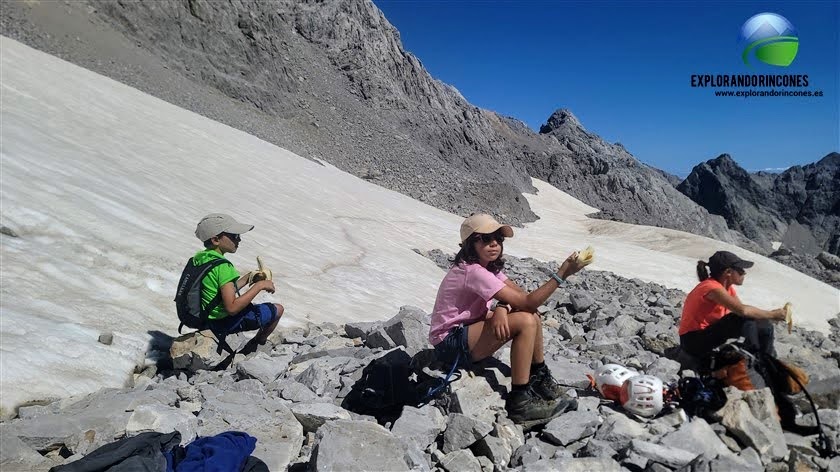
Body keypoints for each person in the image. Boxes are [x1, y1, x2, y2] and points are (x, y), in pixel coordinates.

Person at [429, 214, 587, 425]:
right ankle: (520, 402)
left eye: (498, 238)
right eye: (485, 238)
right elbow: (528, 301)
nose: (494, 243)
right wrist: (562, 274)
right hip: (449, 343)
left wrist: (502, 307)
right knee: (526, 320)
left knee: (532, 316)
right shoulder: (473, 271)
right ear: (469, 243)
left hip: (464, 332)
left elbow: (522, 299)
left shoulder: (488, 268)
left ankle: (539, 379)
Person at [192, 213, 283, 352]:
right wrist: (260, 286)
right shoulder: (224, 267)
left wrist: (248, 278)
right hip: (221, 322)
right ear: (216, 239)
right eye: (234, 236)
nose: (239, 239)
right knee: (278, 309)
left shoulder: (201, 259)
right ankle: (257, 344)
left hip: (204, 317)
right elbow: (232, 308)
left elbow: (220, 292)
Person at [679, 250, 786, 360]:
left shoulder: (727, 288)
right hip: (693, 342)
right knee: (742, 319)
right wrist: (773, 314)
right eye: (740, 270)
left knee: (763, 324)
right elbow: (742, 311)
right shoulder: (712, 288)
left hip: (705, 337)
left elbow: (744, 311)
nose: (744, 273)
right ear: (728, 272)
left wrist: (767, 317)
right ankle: (754, 358)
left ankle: (767, 359)